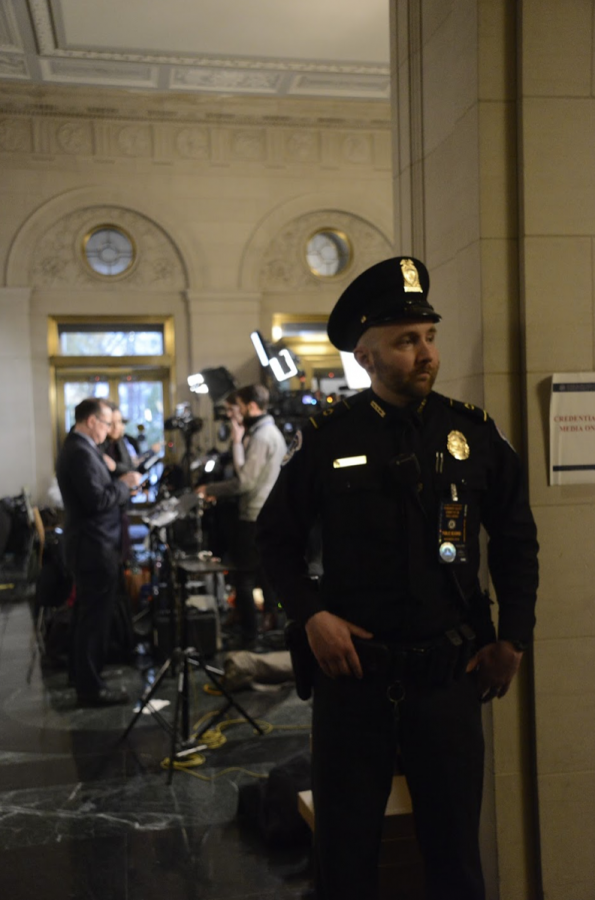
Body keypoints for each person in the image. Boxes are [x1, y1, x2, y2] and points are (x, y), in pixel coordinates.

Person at [256, 257, 539, 900]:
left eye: (429, 336)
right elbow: (273, 540)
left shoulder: (473, 433)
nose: (425, 353)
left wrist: (513, 638)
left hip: (447, 682)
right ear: (367, 357)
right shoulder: (329, 438)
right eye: (406, 340)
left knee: (456, 863)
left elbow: (517, 541)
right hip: (354, 683)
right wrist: (312, 615)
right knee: (346, 862)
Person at [56, 397, 142, 706]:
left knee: (86, 616)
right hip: (94, 546)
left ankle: (82, 677)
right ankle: (91, 688)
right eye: (106, 423)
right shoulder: (80, 451)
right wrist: (125, 484)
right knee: (94, 620)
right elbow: (96, 500)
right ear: (92, 421)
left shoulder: (82, 448)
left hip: (93, 544)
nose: (109, 431)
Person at [197, 384, 286, 647]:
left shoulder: (262, 436)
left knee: (243, 577)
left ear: (250, 405)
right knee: (257, 573)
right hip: (260, 510)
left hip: (255, 512)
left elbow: (245, 480)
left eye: (237, 407)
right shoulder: (262, 432)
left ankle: (251, 636)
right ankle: (263, 626)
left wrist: (210, 489)